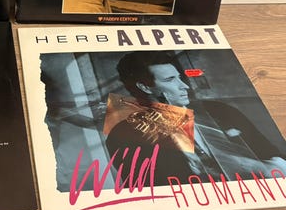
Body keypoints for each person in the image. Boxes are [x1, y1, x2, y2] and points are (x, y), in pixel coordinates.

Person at [105, 51, 286, 186]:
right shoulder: (123, 135)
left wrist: (265, 167)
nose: (184, 86)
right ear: (144, 87)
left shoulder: (219, 111)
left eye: (179, 78)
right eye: (170, 80)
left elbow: (273, 156)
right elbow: (149, 193)